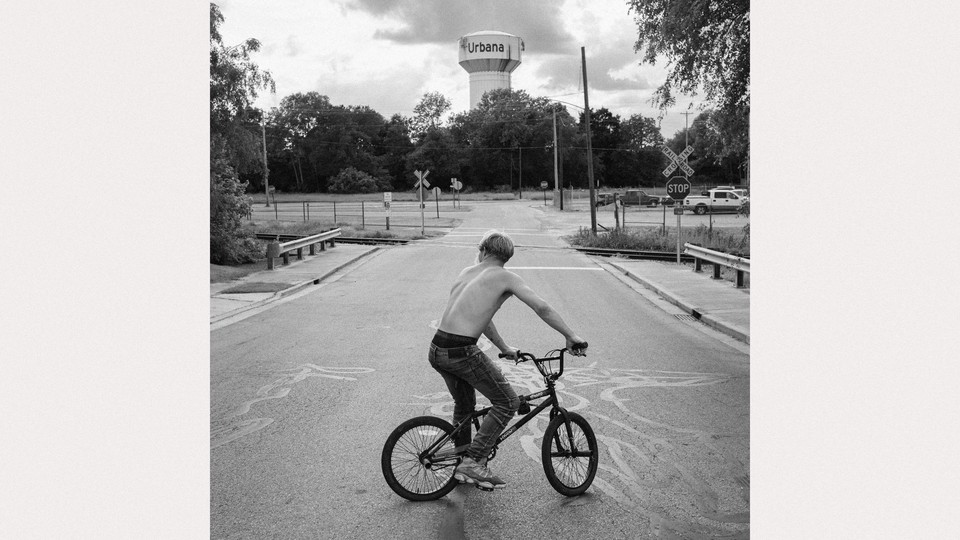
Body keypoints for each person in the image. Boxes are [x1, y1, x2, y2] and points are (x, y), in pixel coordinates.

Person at [428, 229, 587, 490]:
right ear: (506, 257)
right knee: (508, 401)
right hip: (461, 352)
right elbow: (542, 307)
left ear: (483, 251)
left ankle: (462, 462)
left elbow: (480, 316)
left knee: (464, 406)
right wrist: (571, 336)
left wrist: (503, 346)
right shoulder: (505, 277)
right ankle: (473, 462)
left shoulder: (466, 272)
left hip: (438, 349)